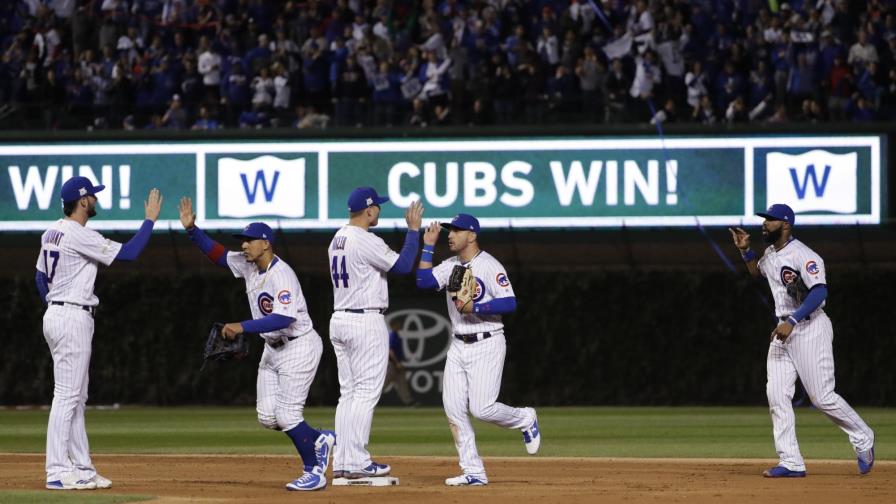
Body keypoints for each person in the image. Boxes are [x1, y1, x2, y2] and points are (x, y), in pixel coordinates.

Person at [177, 197, 335, 491]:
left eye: (250, 240)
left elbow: (283, 318)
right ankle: (318, 439)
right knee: (267, 417)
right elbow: (218, 255)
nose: (244, 245)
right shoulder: (248, 265)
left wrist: (242, 327)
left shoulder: (281, 274)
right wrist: (191, 230)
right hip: (271, 350)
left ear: (266, 244)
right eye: (243, 241)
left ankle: (313, 470)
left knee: (287, 415)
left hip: (298, 345)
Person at [730, 204, 875, 478]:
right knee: (777, 395)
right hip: (783, 331)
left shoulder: (804, 255)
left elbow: (819, 292)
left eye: (770, 220)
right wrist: (745, 250)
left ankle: (863, 437)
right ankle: (791, 461)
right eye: (764, 220)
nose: (764, 224)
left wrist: (793, 321)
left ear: (786, 224)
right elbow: (756, 272)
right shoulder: (772, 253)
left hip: (808, 327)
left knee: (822, 398)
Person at [37, 177, 162, 490]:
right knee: (67, 396)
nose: (95, 200)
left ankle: (81, 468)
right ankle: (56, 470)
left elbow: (40, 277)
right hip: (71, 316)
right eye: (92, 196)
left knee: (77, 398)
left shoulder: (51, 231)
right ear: (82, 201)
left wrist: (54, 305)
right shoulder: (79, 234)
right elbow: (130, 254)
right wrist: (149, 221)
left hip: (60, 313)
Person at [415, 213, 541, 486]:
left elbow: (510, 303)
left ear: (472, 235)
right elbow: (423, 281)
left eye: (457, 230)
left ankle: (525, 418)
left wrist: (477, 307)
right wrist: (427, 245)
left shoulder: (489, 265)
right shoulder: (450, 266)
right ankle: (473, 471)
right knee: (453, 409)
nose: (450, 234)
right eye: (450, 230)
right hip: (458, 344)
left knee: (482, 409)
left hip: (487, 341)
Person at [327, 187, 423, 480]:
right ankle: (357, 461)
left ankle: (342, 460)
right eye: (377, 206)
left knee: (349, 394)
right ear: (368, 211)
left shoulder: (337, 238)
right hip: (364, 320)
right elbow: (404, 265)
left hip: (340, 318)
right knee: (366, 393)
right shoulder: (364, 239)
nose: (379, 210)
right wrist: (413, 231)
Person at [383, 320, 414, 405]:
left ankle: (408, 402)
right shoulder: (392, 335)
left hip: (397, 364)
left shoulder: (397, 335)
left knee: (402, 382)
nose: (400, 325)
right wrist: (396, 363)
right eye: (398, 324)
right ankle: (370, 399)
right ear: (393, 325)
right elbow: (390, 351)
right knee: (383, 384)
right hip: (391, 364)